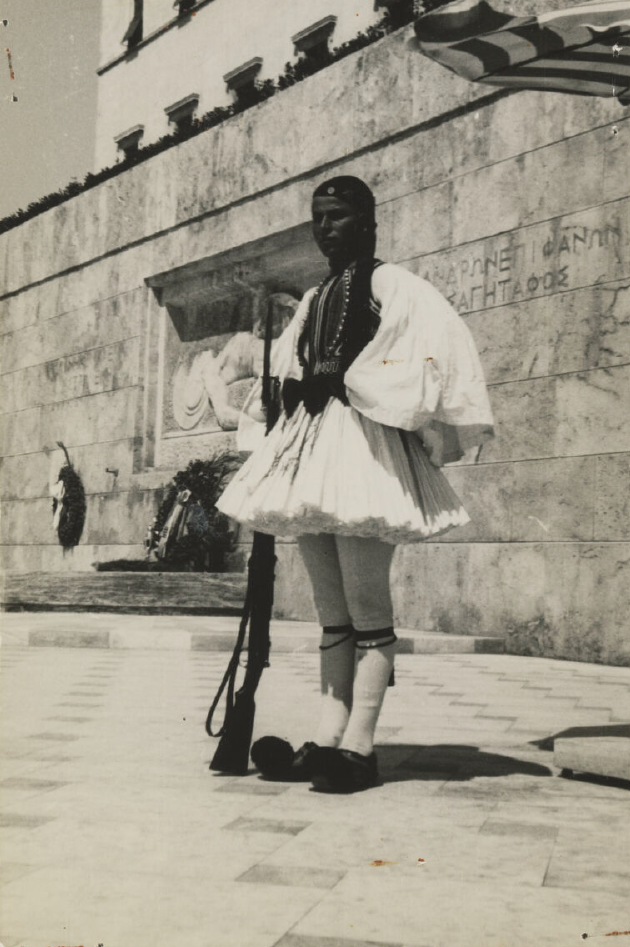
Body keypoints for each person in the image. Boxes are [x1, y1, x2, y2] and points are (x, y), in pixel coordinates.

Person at [216, 176, 494, 792]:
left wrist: (346, 382)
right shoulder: (314, 296)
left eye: (337, 216)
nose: (324, 228)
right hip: (310, 455)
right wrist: (285, 396)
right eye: (318, 218)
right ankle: (326, 740)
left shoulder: (395, 286)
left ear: (367, 221)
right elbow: (288, 370)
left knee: (368, 609)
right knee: (332, 613)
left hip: (363, 454)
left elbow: (429, 359)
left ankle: (360, 750)